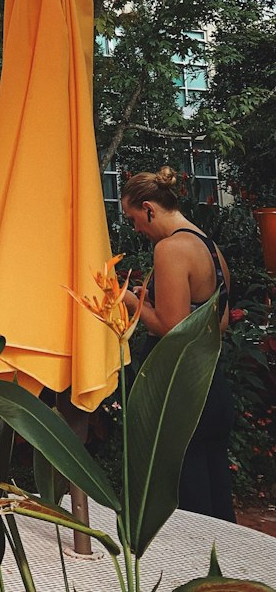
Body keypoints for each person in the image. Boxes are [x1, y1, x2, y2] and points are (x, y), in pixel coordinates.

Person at [120, 165, 236, 522]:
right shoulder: (209, 246)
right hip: (211, 384)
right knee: (215, 495)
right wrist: (150, 301)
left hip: (179, 392)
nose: (137, 229)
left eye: (134, 218)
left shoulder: (170, 249)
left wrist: (126, 299)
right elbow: (220, 320)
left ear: (150, 208)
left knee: (189, 503)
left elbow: (172, 327)